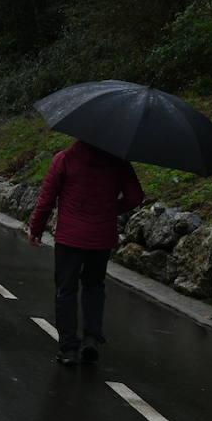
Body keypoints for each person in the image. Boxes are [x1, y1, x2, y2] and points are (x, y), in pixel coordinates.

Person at [27, 140, 144, 365]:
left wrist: (36, 228)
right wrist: (111, 209)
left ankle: (69, 349)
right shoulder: (119, 162)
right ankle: (91, 338)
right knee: (94, 287)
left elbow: (47, 198)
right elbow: (135, 197)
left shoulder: (65, 159)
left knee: (66, 290)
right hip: (101, 238)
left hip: (69, 237)